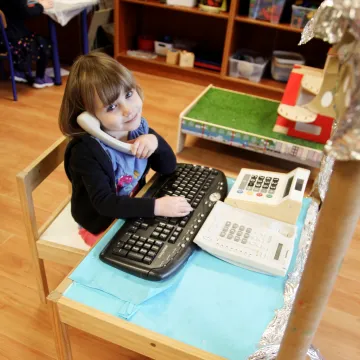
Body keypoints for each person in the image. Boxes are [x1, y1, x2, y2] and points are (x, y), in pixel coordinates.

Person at [59, 52, 193, 246]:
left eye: (129, 94)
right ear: (89, 118)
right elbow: (105, 203)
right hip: (100, 222)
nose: (128, 110)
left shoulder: (136, 130)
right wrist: (156, 207)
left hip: (134, 205)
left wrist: (154, 142)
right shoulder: (85, 153)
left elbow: (168, 167)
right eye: (112, 107)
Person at [0, 0, 54, 88]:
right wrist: (41, 6)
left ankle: (18, 71)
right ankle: (40, 77)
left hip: (3, 39)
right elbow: (26, 12)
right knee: (43, 42)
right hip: (12, 41)